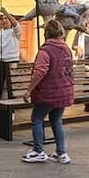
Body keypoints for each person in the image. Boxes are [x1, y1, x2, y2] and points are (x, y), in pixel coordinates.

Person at [22, 19, 74, 164]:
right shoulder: (66, 49)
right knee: (56, 121)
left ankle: (38, 151)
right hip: (63, 92)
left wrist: (28, 90)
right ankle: (61, 153)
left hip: (48, 93)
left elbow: (39, 72)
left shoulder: (45, 51)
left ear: (46, 33)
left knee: (37, 119)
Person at [0, 7, 21, 100]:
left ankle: (11, 112)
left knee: (11, 87)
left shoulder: (15, 32)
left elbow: (16, 24)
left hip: (11, 61)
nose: (4, 20)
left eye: (7, 18)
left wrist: (5, 12)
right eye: (2, 19)